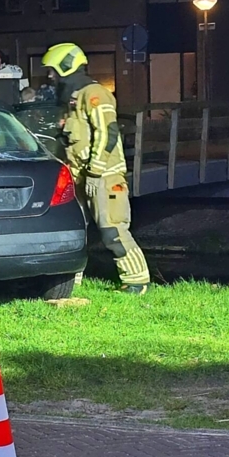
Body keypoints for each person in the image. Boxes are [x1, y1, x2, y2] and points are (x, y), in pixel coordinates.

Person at [42, 42, 151, 295]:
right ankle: (72, 279)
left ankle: (136, 280)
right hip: (78, 174)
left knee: (112, 227)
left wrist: (96, 171)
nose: (50, 76)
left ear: (65, 66)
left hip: (103, 175)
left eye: (52, 71)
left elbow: (107, 134)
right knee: (75, 228)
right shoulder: (73, 97)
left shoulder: (95, 94)